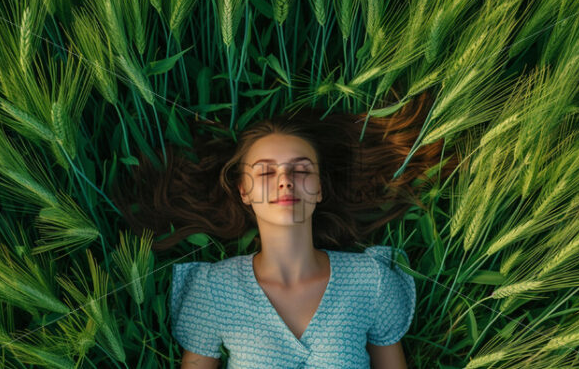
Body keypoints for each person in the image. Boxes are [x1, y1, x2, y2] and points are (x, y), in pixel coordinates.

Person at [111, 90, 457, 367]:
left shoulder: (372, 280)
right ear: (244, 191)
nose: (285, 182)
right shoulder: (213, 290)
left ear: (319, 188)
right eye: (265, 172)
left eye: (301, 170)